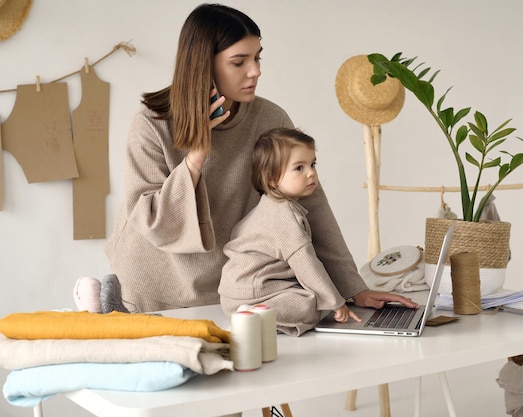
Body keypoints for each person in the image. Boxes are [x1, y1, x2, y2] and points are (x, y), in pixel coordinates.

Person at [105, 3, 418, 315]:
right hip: (152, 286)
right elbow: (149, 219)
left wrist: (354, 287)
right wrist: (196, 156)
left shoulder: (270, 118)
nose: (255, 70)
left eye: (257, 57)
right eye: (239, 62)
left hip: (230, 287)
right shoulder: (151, 123)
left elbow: (311, 205)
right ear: (203, 66)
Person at [219, 128, 370, 336]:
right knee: (313, 303)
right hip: (255, 290)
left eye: (312, 164)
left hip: (240, 291)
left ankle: (253, 316)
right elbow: (306, 263)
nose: (311, 173)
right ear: (271, 178)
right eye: (299, 168)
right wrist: (336, 302)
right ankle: (253, 317)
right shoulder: (283, 215)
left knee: (311, 294)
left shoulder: (272, 206)